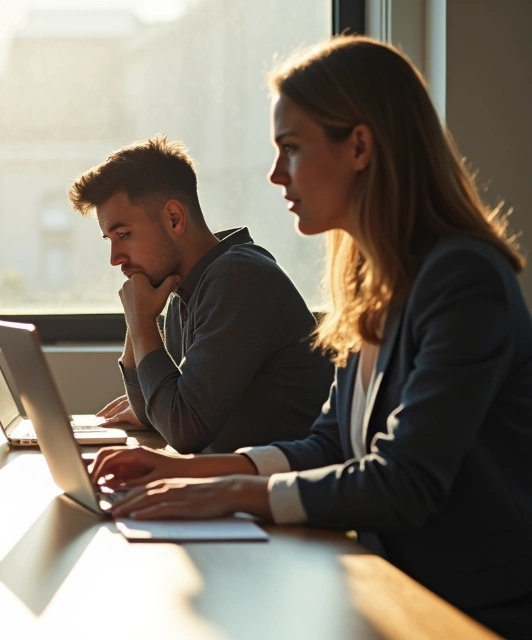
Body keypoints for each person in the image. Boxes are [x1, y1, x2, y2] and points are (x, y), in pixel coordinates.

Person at [89, 36, 532, 637]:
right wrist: (194, 476)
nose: (275, 175)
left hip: (464, 610)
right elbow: (327, 444)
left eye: (290, 149)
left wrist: (235, 495)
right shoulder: (371, 282)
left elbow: (403, 482)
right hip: (386, 582)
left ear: (359, 147)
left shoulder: (462, 279)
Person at [69, 136, 332, 453]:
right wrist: (139, 319)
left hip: (278, 492)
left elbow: (184, 431)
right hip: (233, 485)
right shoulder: (186, 287)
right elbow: (148, 411)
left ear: (174, 218)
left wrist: (141, 323)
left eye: (124, 234)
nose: (115, 258)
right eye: (109, 239)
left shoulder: (236, 281)